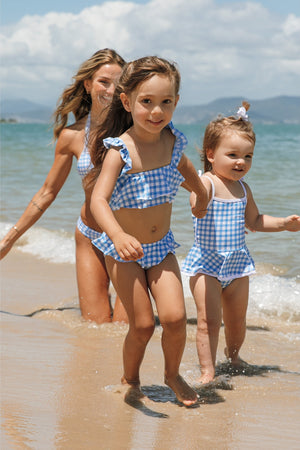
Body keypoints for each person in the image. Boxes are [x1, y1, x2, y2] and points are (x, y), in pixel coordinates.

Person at [86, 56, 209, 406]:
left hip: (161, 247)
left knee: (174, 318)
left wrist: (200, 194)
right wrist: (118, 236)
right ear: (127, 102)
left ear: (176, 103)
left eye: (166, 102)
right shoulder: (120, 150)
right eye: (147, 102)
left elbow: (187, 172)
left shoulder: (172, 141)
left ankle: (171, 374)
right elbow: (99, 200)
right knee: (141, 325)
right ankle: (132, 378)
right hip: (123, 251)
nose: (157, 111)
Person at [0, 48, 128, 324]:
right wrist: (8, 241)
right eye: (104, 81)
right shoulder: (71, 136)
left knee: (125, 328)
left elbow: (170, 169)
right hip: (90, 235)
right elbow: (47, 193)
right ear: (88, 84)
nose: (111, 89)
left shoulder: (136, 130)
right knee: (97, 328)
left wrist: (208, 191)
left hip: (130, 239)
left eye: (118, 83)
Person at [181, 102, 300, 385]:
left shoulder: (244, 189)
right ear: (211, 154)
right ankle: (207, 371)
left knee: (237, 323)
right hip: (207, 265)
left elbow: (255, 221)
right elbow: (197, 202)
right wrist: (198, 201)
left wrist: (283, 224)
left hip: (237, 265)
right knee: (208, 322)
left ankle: (233, 356)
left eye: (248, 156)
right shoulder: (206, 183)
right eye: (232, 154)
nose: (240, 162)